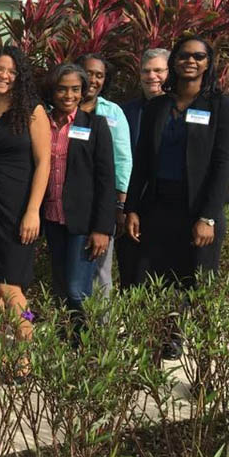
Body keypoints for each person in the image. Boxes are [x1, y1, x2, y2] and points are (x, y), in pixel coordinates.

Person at [125, 36, 229, 358]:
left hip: (198, 210)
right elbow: (141, 162)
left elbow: (222, 164)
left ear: (208, 62)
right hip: (158, 208)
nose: (190, 61)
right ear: (174, 61)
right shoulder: (158, 106)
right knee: (152, 280)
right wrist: (132, 208)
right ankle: (161, 348)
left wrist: (208, 217)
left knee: (198, 285)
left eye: (198, 56)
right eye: (184, 55)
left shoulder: (219, 105)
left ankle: (204, 362)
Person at [0, 47, 49, 349]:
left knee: (9, 285)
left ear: (20, 77)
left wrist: (33, 210)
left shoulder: (32, 111)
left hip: (16, 211)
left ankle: (27, 347)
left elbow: (44, 163)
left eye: (12, 71)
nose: (4, 75)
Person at [42, 63, 115, 330]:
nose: (68, 95)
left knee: (77, 289)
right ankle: (64, 343)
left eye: (75, 89)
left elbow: (106, 180)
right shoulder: (41, 123)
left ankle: (85, 345)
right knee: (60, 287)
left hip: (83, 223)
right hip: (51, 219)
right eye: (62, 89)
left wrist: (102, 228)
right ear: (52, 91)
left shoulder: (95, 125)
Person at [78, 53, 132, 295]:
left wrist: (120, 203)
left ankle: (101, 319)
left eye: (99, 75)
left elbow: (123, 158)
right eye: (88, 73)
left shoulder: (113, 112)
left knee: (100, 269)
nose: (93, 80)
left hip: (102, 201)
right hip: (66, 202)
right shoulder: (59, 108)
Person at [117, 48, 169, 289]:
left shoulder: (180, 111)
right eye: (146, 71)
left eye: (158, 70)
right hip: (132, 203)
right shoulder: (125, 112)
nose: (152, 76)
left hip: (167, 204)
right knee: (132, 273)